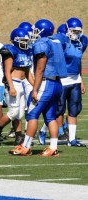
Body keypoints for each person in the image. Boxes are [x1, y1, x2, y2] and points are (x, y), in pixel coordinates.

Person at [10, 19, 67, 156]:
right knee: (50, 116)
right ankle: (53, 148)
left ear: (42, 31)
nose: (33, 33)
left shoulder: (42, 43)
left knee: (32, 114)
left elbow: (40, 69)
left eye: (36, 31)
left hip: (46, 83)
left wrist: (35, 89)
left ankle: (26, 146)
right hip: (57, 84)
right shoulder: (57, 42)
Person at [39, 18, 87, 147]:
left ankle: (72, 140)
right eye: (73, 31)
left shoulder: (83, 41)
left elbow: (78, 60)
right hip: (63, 78)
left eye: (78, 31)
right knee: (58, 109)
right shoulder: (61, 40)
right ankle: (43, 130)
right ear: (67, 29)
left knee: (74, 109)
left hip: (75, 78)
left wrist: (81, 79)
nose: (76, 33)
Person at [0, 28, 34, 146]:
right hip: (13, 83)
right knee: (13, 112)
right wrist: (11, 87)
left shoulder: (27, 51)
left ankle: (19, 136)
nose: (25, 43)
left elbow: (27, 72)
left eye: (26, 40)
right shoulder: (11, 51)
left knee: (19, 114)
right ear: (16, 40)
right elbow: (7, 71)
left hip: (22, 83)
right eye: (23, 40)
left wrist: (35, 86)